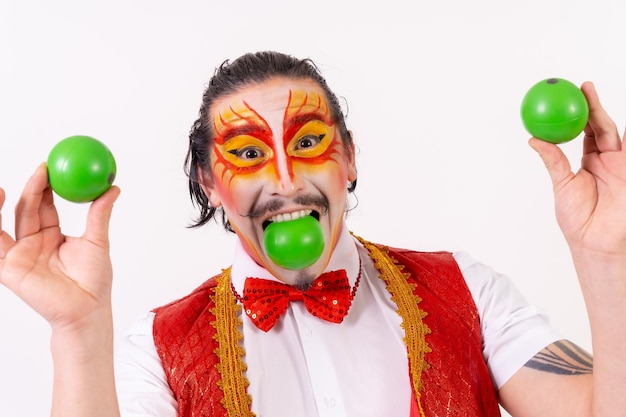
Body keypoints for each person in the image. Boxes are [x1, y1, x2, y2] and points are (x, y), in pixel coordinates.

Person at [0, 50, 625, 417]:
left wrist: (610, 259)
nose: (284, 179)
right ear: (210, 184)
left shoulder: (470, 292)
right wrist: (76, 331)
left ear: (349, 159)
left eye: (307, 143)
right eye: (246, 153)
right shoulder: (157, 350)